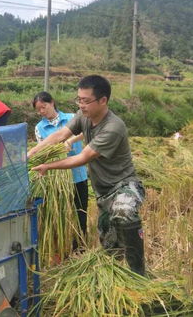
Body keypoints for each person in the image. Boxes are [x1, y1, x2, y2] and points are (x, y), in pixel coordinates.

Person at [28, 75, 146, 275]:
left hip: (125, 185)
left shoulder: (113, 127)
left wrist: (48, 165)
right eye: (79, 100)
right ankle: (117, 281)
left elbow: (83, 158)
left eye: (86, 101)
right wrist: (29, 154)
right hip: (103, 192)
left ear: (103, 100)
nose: (81, 105)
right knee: (110, 249)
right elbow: (58, 136)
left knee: (124, 211)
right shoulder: (83, 117)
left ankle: (139, 273)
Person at [33, 91, 89, 250]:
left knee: (80, 213)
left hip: (77, 175)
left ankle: (80, 248)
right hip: (56, 177)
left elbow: (86, 132)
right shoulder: (39, 127)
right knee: (60, 214)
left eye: (44, 107)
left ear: (52, 102)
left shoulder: (72, 118)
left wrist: (70, 140)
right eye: (38, 110)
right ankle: (61, 247)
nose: (42, 112)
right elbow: (43, 149)